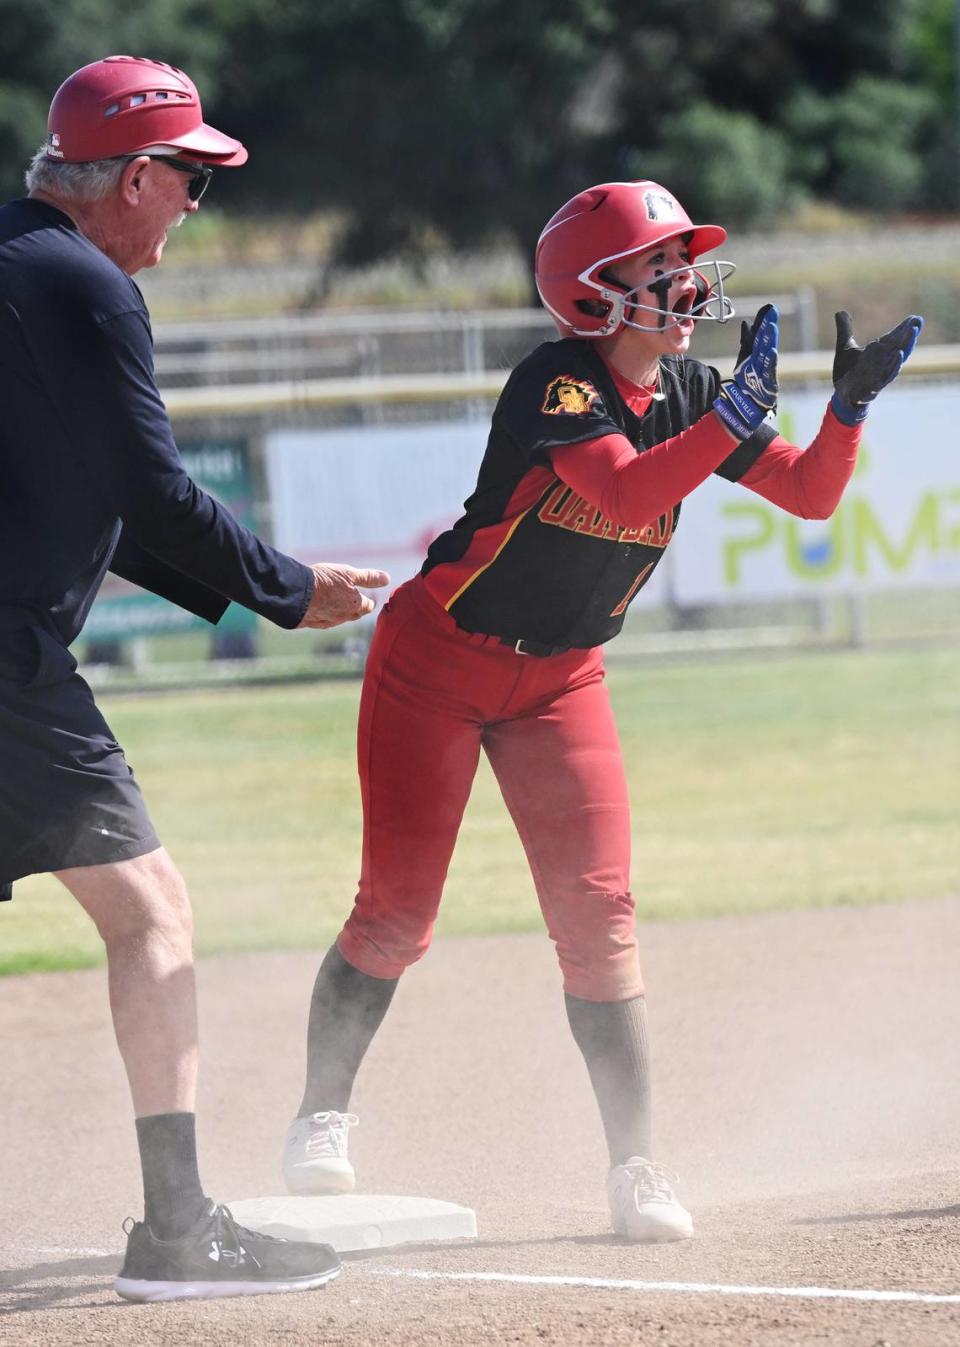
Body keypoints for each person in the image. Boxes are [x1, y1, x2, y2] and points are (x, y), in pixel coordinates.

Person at [280, 179, 923, 1242]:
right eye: (656, 265)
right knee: (397, 912)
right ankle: (320, 1116)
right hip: (437, 657)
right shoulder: (558, 385)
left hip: (561, 677)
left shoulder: (693, 390)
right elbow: (624, 492)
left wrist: (845, 410)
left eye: (684, 259)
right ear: (593, 297)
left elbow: (809, 495)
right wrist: (725, 421)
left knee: (600, 921)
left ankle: (636, 1168)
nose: (683, 280)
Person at [0, 56, 390, 1302]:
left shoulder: (19, 259)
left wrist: (256, 590)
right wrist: (287, 590)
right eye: (188, 177)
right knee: (151, 913)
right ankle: (178, 1233)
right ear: (126, 177)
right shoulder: (87, 288)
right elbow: (153, 491)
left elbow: (98, 502)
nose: (194, 203)